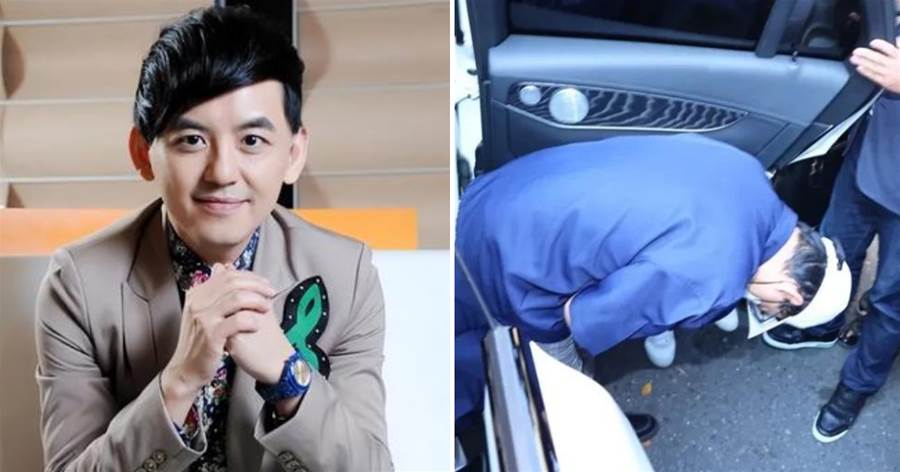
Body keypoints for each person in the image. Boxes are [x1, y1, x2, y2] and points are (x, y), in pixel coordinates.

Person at [34, 7, 392, 471]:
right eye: (191, 140)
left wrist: (289, 379)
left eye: (252, 141)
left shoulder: (347, 276)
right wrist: (179, 381)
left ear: (293, 153)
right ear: (142, 153)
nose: (222, 172)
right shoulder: (78, 286)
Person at [454, 133, 851, 444]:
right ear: (790, 295)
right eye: (770, 309)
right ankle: (572, 432)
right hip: (500, 262)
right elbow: (579, 317)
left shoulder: (750, 174)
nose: (758, 305)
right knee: (562, 375)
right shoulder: (711, 280)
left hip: (501, 191)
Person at [763, 24, 900, 443]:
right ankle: (824, 324)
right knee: (835, 253)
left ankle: (858, 383)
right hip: (867, 161)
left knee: (890, 303)